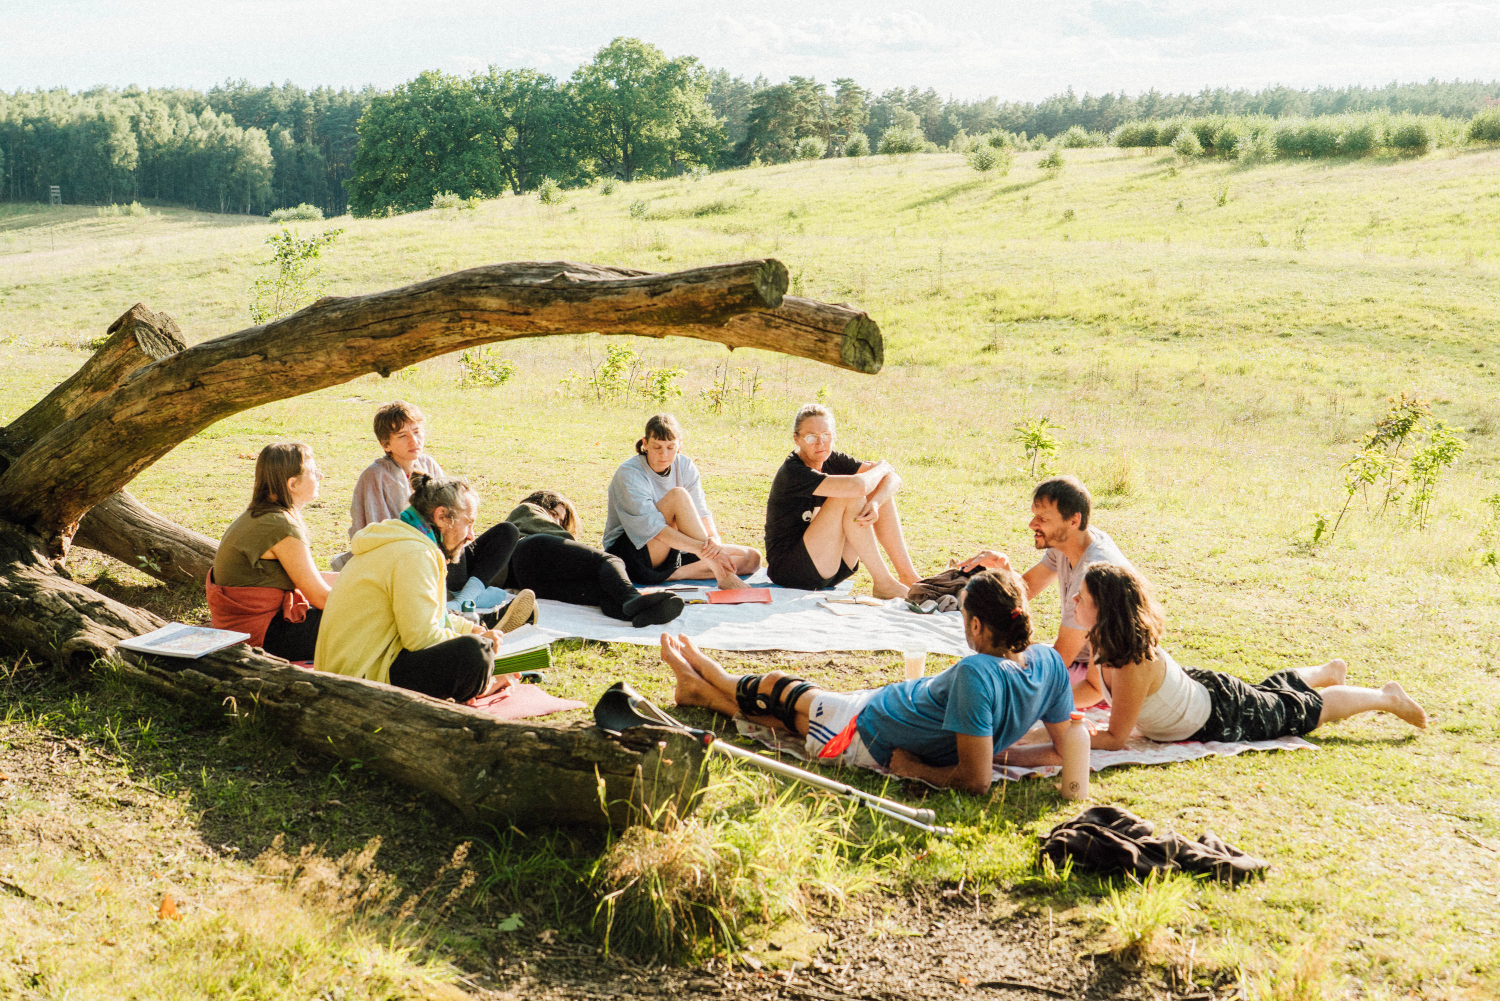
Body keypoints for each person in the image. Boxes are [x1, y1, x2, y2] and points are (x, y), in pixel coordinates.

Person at [662, 569, 1089, 797]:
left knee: (780, 693)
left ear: (976, 625)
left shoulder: (978, 673)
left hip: (867, 731)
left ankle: (710, 677)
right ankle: (700, 690)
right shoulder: (1050, 662)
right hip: (878, 707)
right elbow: (1061, 749)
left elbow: (975, 782)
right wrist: (996, 750)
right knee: (790, 716)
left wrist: (916, 770)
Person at [997, 564, 1426, 768]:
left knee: (1303, 711)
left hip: (1219, 713)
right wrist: (1042, 713)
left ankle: (1385, 697)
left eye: (1082, 597)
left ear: (1104, 609)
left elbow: (1114, 738)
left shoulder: (1132, 662)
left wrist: (1017, 752)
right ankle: (1324, 671)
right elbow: (1093, 691)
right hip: (1200, 691)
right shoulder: (1101, 640)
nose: (1072, 600)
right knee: (1272, 695)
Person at [316, 473, 534, 702]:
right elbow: (421, 638)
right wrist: (482, 642)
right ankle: (487, 684)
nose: (471, 536)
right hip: (362, 681)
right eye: (468, 523)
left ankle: (478, 679)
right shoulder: (415, 554)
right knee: (475, 652)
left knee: (474, 640)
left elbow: (429, 615)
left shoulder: (401, 540)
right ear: (441, 517)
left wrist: (471, 629)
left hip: (353, 669)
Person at [331, 399, 520, 595]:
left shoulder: (429, 464)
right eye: (402, 436)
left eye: (417, 431)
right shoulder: (375, 475)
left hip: (448, 551)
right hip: (411, 559)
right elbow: (374, 531)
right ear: (386, 444)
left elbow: (453, 515)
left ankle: (468, 593)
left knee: (507, 531)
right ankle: (467, 595)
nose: (414, 441)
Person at [960, 475, 1132, 684]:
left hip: (1099, 677)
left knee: (991, 675)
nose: (1032, 524)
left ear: (1074, 520)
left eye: (1042, 519)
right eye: (1034, 516)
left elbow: (1061, 660)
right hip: (1077, 661)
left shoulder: (1092, 574)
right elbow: (1027, 589)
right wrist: (1005, 567)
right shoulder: (1069, 540)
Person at [764, 403, 920, 598]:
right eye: (811, 437)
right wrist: (882, 467)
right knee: (851, 493)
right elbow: (859, 486)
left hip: (831, 566)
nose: (820, 443)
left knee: (876, 488)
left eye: (826, 435)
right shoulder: (793, 471)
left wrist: (876, 503)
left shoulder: (831, 459)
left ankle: (909, 576)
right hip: (791, 570)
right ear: (797, 439)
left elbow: (893, 479)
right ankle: (884, 582)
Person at [207, 442, 334, 662]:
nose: (320, 476)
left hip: (246, 628)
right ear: (292, 484)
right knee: (367, 621)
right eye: (314, 472)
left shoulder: (260, 515)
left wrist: (363, 582)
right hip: (261, 636)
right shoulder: (281, 526)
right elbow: (321, 598)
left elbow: (308, 577)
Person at [603, 413, 761, 590]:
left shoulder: (685, 465)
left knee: (751, 558)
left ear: (679, 444)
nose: (664, 454)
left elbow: (701, 512)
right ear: (645, 444)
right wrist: (707, 552)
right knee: (678, 495)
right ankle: (722, 574)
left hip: (675, 547)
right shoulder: (630, 473)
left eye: (671, 447)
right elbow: (655, 530)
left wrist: (714, 542)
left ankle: (671, 575)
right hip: (633, 554)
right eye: (657, 447)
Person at [500, 489, 685, 628]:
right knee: (609, 560)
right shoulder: (528, 509)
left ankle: (635, 614)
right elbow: (567, 545)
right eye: (554, 514)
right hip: (531, 549)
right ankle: (633, 597)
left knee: (601, 592)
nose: (557, 522)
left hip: (529, 582)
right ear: (541, 504)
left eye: (561, 521)